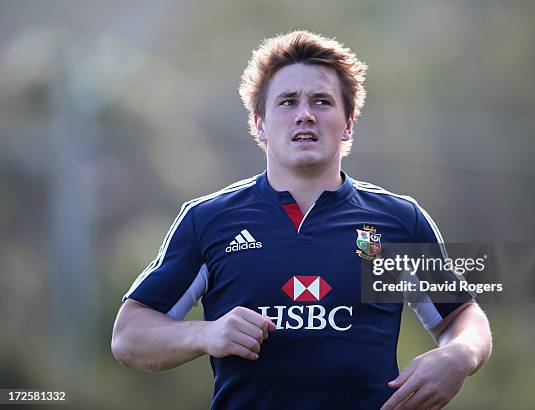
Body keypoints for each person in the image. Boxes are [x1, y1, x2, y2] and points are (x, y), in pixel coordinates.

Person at [111, 30, 492, 410]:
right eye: (288, 102)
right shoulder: (208, 220)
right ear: (259, 124)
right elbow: (129, 336)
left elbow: (461, 317)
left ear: (348, 124)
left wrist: (459, 355)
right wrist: (206, 333)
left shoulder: (399, 221)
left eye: (322, 102)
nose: (305, 115)